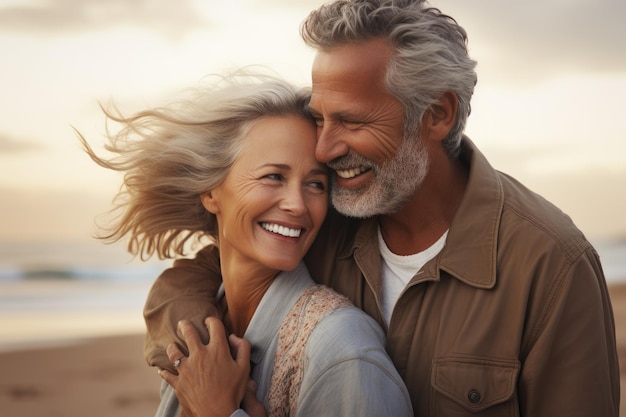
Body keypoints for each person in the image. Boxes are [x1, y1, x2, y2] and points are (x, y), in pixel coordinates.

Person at [143, 1, 621, 416]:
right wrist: (198, 350)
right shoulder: (324, 214)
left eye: (350, 121)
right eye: (319, 118)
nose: (325, 149)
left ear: (437, 114)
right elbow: (207, 272)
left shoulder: (551, 265)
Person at [79, 72, 413, 417]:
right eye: (274, 176)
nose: (298, 205)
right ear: (210, 191)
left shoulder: (342, 351)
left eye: (315, 184)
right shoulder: (193, 334)